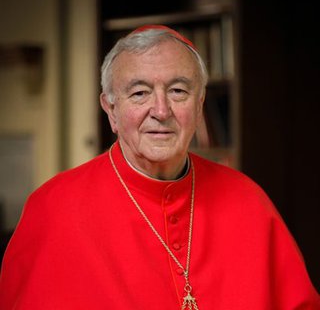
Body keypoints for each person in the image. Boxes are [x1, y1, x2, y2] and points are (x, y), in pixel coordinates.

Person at [0, 24, 319, 310]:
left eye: (178, 91)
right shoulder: (54, 208)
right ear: (111, 109)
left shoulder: (249, 200)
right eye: (139, 93)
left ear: (199, 104)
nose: (161, 110)